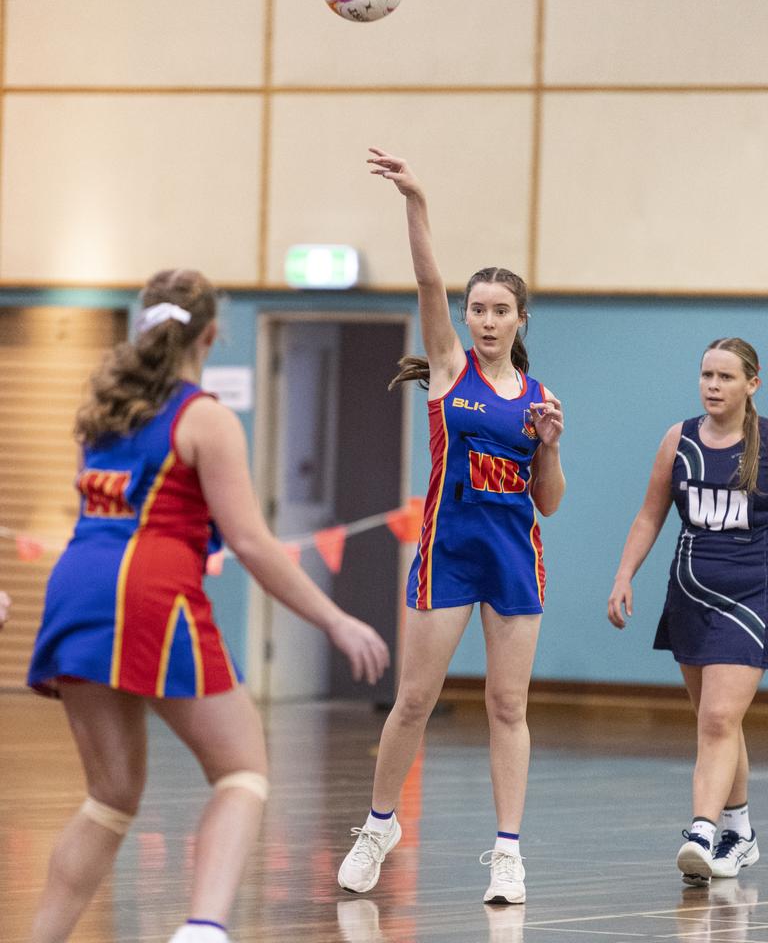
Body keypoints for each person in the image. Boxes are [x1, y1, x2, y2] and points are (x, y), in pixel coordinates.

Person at [25, 269, 390, 943]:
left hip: (74, 584)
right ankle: (202, 930)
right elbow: (250, 542)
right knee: (242, 771)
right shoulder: (204, 417)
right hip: (147, 587)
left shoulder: (104, 414)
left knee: (109, 799)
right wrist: (335, 619)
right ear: (213, 335)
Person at [337, 149, 565, 905]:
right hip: (447, 555)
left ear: (521, 319)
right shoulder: (447, 369)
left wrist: (552, 445)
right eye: (479, 309)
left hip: (514, 559)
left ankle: (507, 853)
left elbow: (550, 502)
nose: (488, 319)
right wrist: (417, 200)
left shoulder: (538, 398)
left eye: (502, 310)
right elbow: (428, 280)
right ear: (467, 317)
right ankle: (378, 826)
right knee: (413, 702)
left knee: (508, 707)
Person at [608, 337, 766, 887]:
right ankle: (741, 833)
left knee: (720, 719)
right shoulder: (678, 440)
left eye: (725, 377)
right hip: (691, 594)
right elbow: (651, 516)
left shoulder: (766, 444)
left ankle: (702, 829)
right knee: (715, 721)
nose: (713, 387)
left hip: (753, 599)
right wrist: (625, 574)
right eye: (706, 376)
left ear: (752, 383)